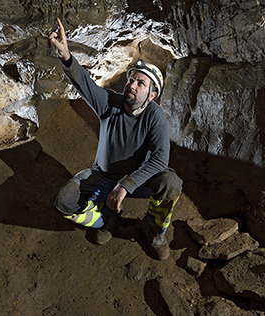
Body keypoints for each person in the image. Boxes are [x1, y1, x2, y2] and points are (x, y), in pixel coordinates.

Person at [48, 18, 182, 260]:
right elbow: (84, 84)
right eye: (132, 79)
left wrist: (126, 185)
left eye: (141, 83)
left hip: (136, 181)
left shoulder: (155, 116)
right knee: (63, 202)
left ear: (151, 95)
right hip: (103, 176)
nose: (132, 85)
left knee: (171, 184)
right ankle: (105, 220)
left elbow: (161, 160)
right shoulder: (110, 103)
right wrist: (66, 54)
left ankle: (153, 229)